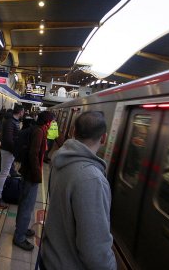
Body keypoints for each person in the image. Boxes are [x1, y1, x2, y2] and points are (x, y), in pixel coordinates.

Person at [40, 111, 117, 270]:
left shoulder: (60, 161)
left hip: (50, 257)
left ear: (73, 131)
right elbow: (94, 250)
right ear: (104, 138)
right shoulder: (92, 179)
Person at [13, 111, 53, 251]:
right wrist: (37, 174)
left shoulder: (38, 129)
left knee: (25, 203)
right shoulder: (39, 132)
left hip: (28, 172)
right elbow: (33, 154)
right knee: (27, 206)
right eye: (52, 121)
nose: (53, 124)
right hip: (31, 175)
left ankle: (21, 229)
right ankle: (19, 237)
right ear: (47, 122)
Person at [0, 104, 24, 209]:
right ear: (20, 112)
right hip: (8, 151)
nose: (23, 113)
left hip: (9, 150)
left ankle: (1, 192)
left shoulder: (14, 121)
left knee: (5, 173)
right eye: (23, 112)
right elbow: (8, 139)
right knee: (3, 174)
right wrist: (15, 151)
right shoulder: (10, 122)